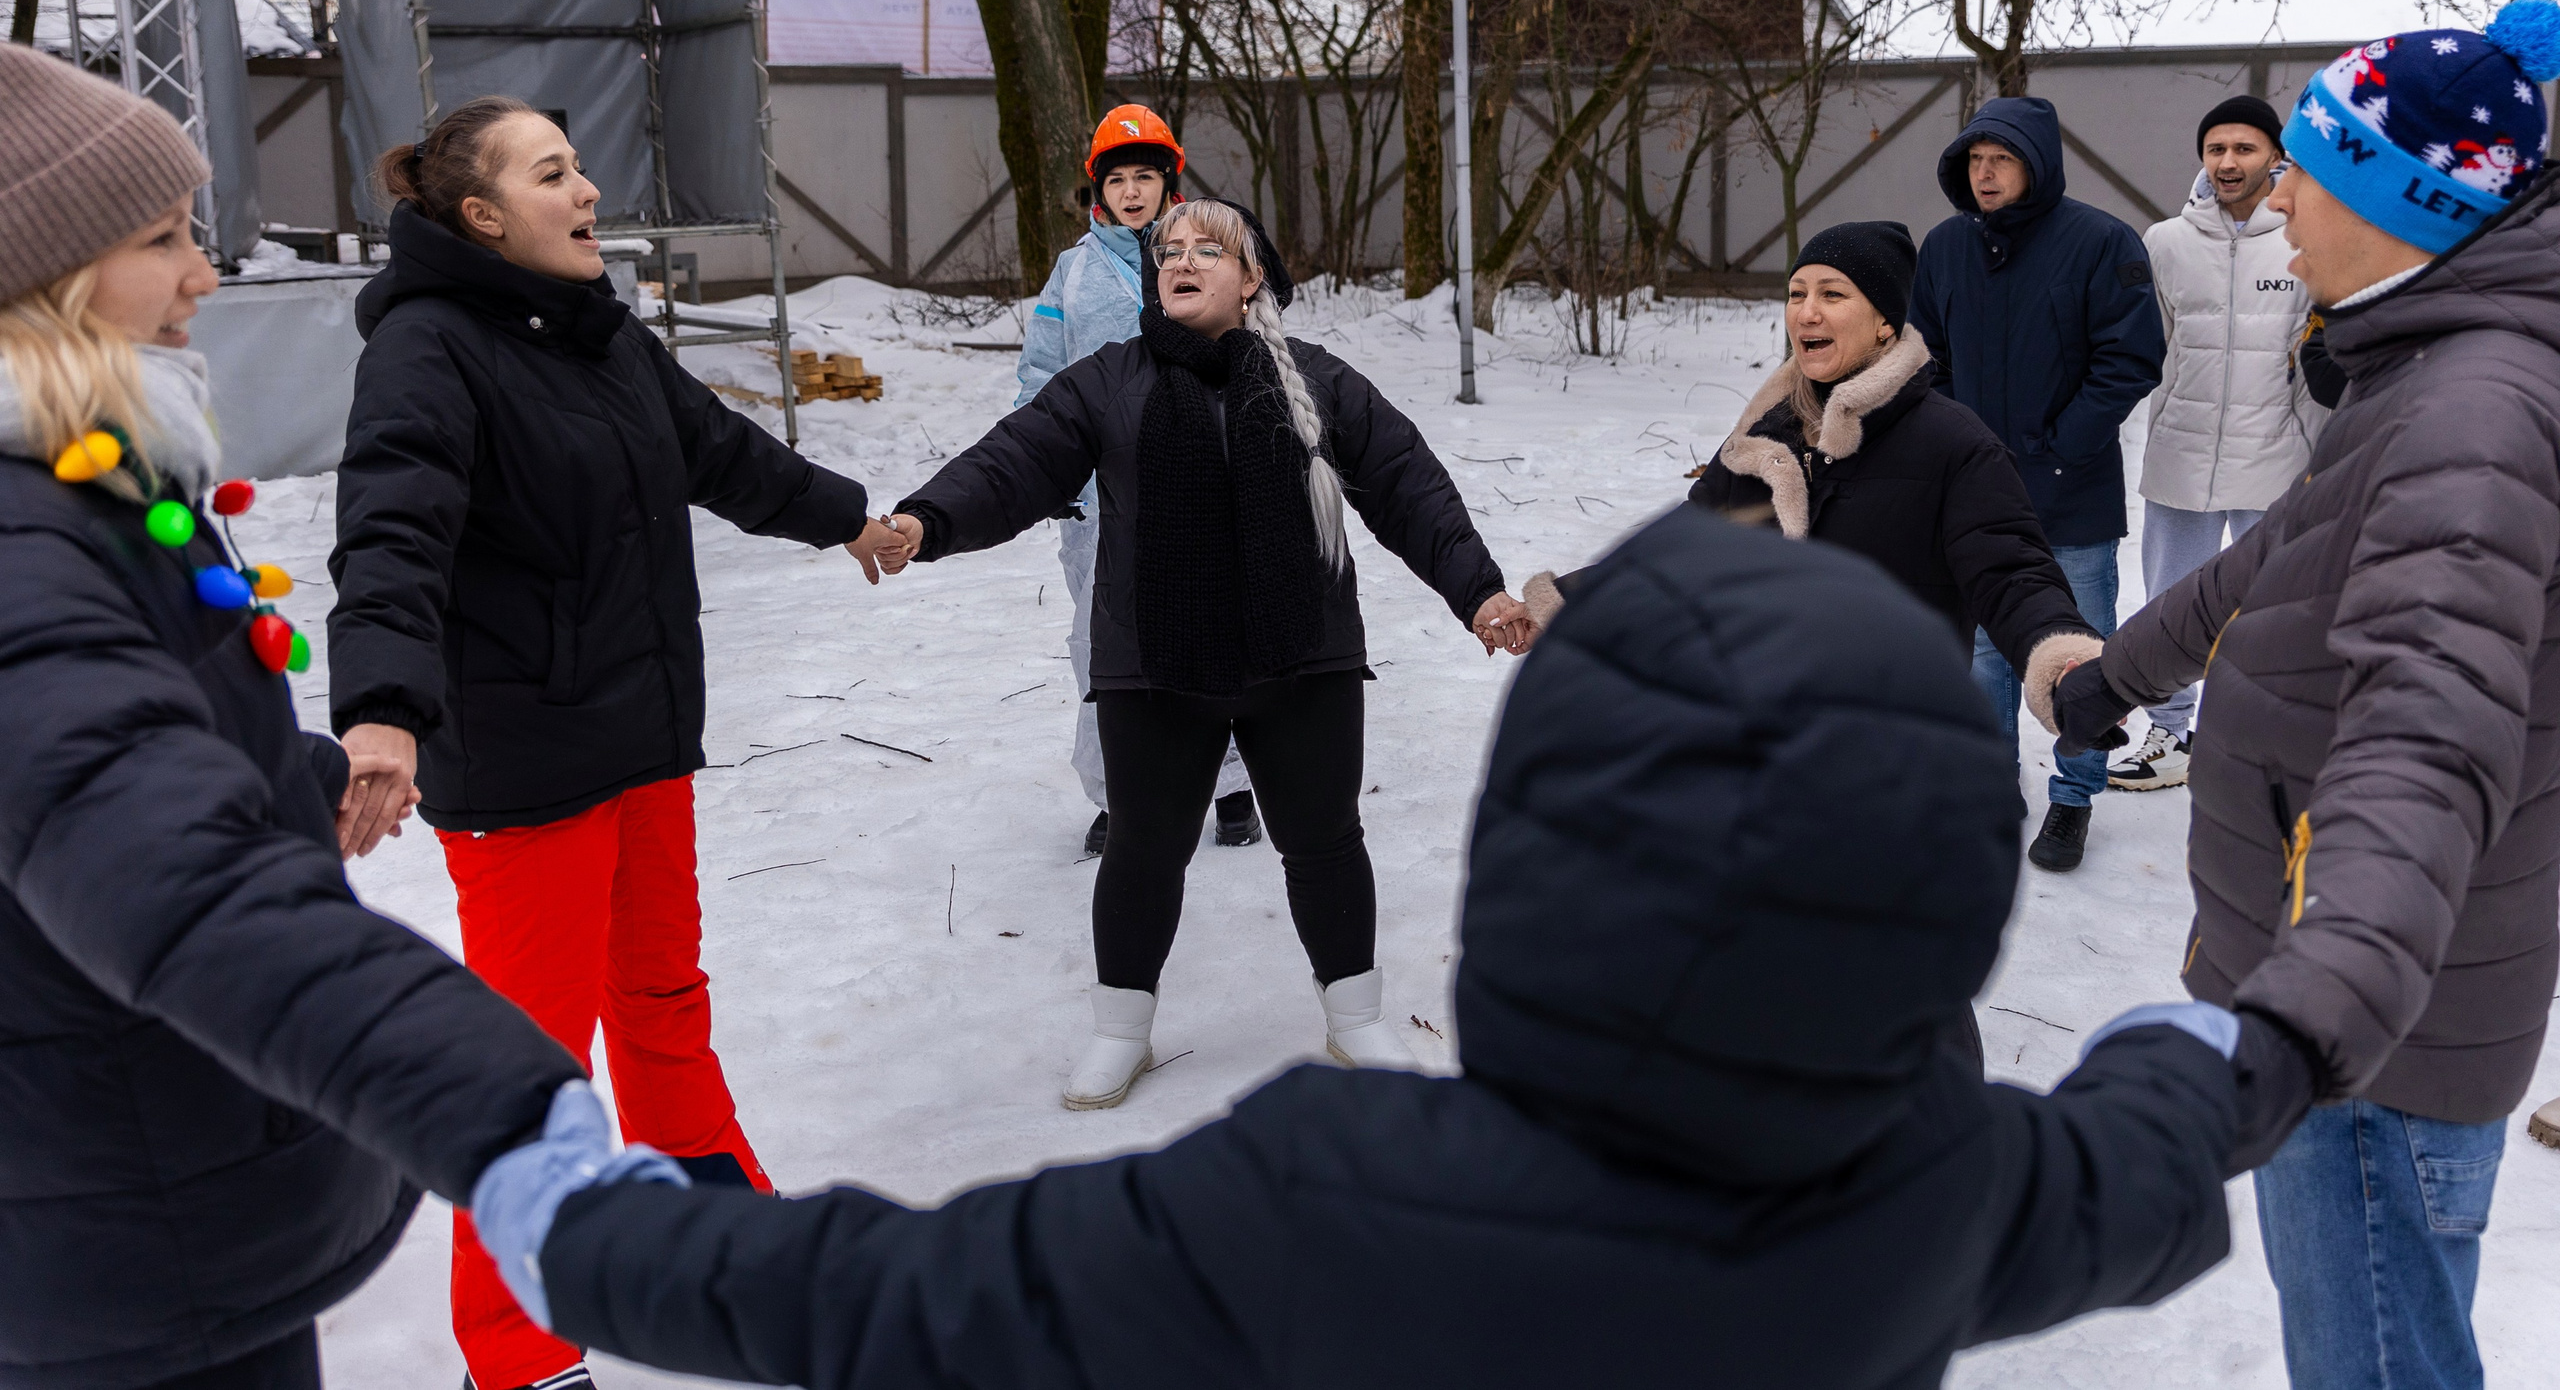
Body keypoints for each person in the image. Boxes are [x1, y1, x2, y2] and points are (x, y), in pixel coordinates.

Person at [458, 504, 2319, 1390]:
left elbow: (881, 1299)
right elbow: (2141, 1173)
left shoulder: (1318, 1196)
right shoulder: (1947, 1185)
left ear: (1539, 857)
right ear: (1935, 903)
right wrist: (2204, 1044)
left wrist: (581, 1216)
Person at [0, 44, 585, 1390]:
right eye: (162, 239)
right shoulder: (21, 531)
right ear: (37, 280)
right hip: (126, 1224)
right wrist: (504, 1110)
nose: (205, 274)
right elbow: (171, 875)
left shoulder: (94, 473)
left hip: (177, 1172)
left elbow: (122, 734)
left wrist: (286, 767)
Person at [325, 97, 901, 1390]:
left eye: (579, 166)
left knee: (662, 1006)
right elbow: (391, 532)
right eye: (553, 173)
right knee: (529, 1066)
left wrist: (849, 519)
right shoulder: (429, 350)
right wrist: (382, 705)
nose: (588, 189)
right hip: (525, 769)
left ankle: (729, 1247)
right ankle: (519, 1352)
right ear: (483, 215)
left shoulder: (598, 334)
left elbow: (723, 453)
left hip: (641, 738)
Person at [2054, 0, 2560, 1390]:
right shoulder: (2421, 367)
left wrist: (2305, 1014)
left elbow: (2433, 724)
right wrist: (2110, 678)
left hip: (2368, 1030)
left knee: (2380, 1363)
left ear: (2407, 200)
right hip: (2366, 987)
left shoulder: (2471, 413)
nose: (2274, 192)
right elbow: (2276, 563)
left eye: (2307, 171)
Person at [870, 198, 1532, 1109]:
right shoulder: (1109, 382)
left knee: (1326, 842)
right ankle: (1120, 1032)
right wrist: (925, 520)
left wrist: (1479, 590)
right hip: (1157, 667)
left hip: (1301, 660)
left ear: (1252, 276)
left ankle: (1355, 1017)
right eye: (1167, 251)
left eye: (1205, 250)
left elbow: (1409, 485)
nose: (1179, 261)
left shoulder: (1320, 382)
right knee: (1144, 849)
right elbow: (1014, 461)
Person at [1531, 222, 2102, 729]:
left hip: (1896, 743)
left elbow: (2013, 572)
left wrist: (2063, 660)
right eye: (1796, 294)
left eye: (1833, 294)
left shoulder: (1955, 446)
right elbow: (1679, 555)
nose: (1806, 311)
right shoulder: (1764, 438)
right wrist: (1562, 603)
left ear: (1885, 322)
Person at [1910, 95, 2164, 871]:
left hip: (2070, 490)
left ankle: (2074, 796)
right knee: (1984, 648)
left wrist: (2060, 447)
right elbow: (1928, 354)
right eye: (1974, 161)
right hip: (1975, 492)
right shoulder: (1947, 246)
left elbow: (2130, 358)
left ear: (2038, 163)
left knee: (2080, 649)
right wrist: (1961, 445)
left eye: (2002, 160)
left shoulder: (2100, 242)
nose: (1985, 175)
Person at [1019, 105, 1257, 857]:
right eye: (1116, 179)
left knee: (1215, 626)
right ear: (1099, 189)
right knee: (1103, 642)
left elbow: (1251, 354)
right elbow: (1041, 373)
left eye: (1144, 177)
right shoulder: (1075, 270)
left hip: (1199, 478)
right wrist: (1042, 466)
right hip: (1099, 496)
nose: (1130, 192)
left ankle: (1229, 782)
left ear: (1168, 183)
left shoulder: (1208, 256)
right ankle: (1117, 792)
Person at [2108, 96, 2318, 796]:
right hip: (2182, 455)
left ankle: (2262, 739)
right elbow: (2147, 348)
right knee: (2171, 603)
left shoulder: (2302, 234)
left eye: (2245, 149)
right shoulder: (2164, 241)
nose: (2228, 162)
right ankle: (2171, 731)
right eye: (2216, 149)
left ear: (2274, 157)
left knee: (2273, 607)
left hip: (2274, 460)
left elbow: (2315, 357)